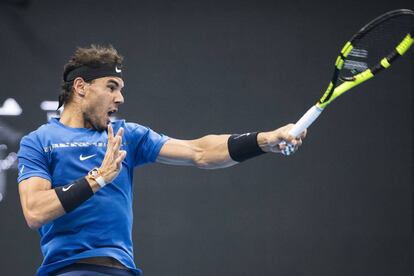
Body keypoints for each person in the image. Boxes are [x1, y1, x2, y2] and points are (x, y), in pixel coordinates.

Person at [17, 44, 306, 276]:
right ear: (81, 87)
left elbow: (199, 152)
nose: (120, 98)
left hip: (124, 269)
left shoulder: (125, 135)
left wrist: (265, 140)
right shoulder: (38, 141)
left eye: (120, 88)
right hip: (69, 269)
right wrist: (98, 178)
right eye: (111, 86)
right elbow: (35, 211)